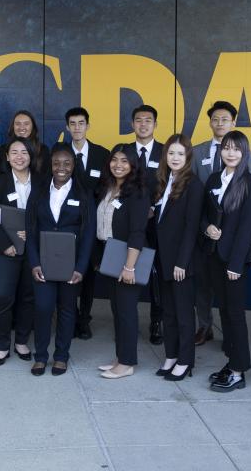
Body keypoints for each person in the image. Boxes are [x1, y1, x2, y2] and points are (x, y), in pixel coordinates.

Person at [26, 144, 95, 376]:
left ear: (74, 166)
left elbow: (88, 235)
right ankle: (41, 356)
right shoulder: (39, 191)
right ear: (50, 165)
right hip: (43, 263)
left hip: (71, 265)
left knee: (67, 310)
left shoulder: (83, 194)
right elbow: (30, 229)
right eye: (57, 163)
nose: (61, 168)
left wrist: (81, 267)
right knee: (43, 308)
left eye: (67, 163)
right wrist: (34, 262)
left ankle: (61, 356)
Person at [203, 131, 251, 392]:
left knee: (235, 315)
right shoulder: (214, 178)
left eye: (236, 149)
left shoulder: (250, 183)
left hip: (234, 261)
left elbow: (247, 228)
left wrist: (236, 265)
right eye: (226, 148)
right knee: (224, 312)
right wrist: (208, 229)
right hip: (214, 256)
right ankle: (232, 362)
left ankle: (239, 371)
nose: (231, 153)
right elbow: (203, 214)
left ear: (244, 152)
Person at [152, 134, 203, 382]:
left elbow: (192, 226)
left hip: (181, 263)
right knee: (168, 313)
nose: (175, 158)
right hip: (163, 259)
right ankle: (171, 356)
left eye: (180, 154)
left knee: (183, 314)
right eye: (171, 153)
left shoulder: (193, 185)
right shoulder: (163, 181)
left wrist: (182, 262)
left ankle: (185, 361)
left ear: (188, 157)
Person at [95, 144, 148, 379]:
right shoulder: (108, 188)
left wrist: (129, 266)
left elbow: (138, 232)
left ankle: (127, 364)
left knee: (126, 311)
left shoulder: (137, 192)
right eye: (115, 160)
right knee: (117, 308)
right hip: (110, 253)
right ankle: (120, 358)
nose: (118, 165)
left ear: (133, 165)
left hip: (127, 257)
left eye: (125, 161)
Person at [0, 138, 36, 366]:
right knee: (1, 296)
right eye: (14, 152)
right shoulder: (0, 182)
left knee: (28, 297)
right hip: (6, 250)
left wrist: (32, 234)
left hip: (32, 251)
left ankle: (22, 341)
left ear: (31, 156)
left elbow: (48, 215)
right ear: (6, 157)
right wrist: (6, 244)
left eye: (24, 152)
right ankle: (3, 345)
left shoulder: (42, 182)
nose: (19, 156)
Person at [191, 100, 238, 346]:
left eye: (225, 119)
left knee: (228, 286)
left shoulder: (243, 152)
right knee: (203, 283)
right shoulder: (197, 151)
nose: (220, 123)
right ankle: (204, 326)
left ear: (233, 122)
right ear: (210, 122)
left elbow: (247, 193)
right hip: (203, 227)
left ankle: (230, 331)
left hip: (229, 232)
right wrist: (204, 225)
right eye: (215, 119)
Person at [65, 107, 110, 340]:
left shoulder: (102, 154)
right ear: (67, 127)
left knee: (89, 274)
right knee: (67, 272)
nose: (77, 128)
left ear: (88, 125)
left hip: (92, 225)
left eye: (81, 123)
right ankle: (69, 318)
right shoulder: (60, 153)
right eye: (72, 123)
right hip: (66, 224)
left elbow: (107, 187)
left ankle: (84, 319)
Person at [123, 104, 164, 345]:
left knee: (157, 273)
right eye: (139, 120)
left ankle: (156, 321)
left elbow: (170, 186)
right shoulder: (124, 151)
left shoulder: (165, 152)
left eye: (148, 120)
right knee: (129, 270)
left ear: (155, 124)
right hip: (130, 224)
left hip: (157, 223)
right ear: (132, 124)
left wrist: (152, 209)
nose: (143, 124)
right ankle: (128, 321)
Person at [0, 110, 51, 176]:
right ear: (13, 127)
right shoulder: (3, 149)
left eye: (26, 124)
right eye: (18, 124)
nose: (22, 127)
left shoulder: (43, 150)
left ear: (33, 127)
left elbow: (47, 177)